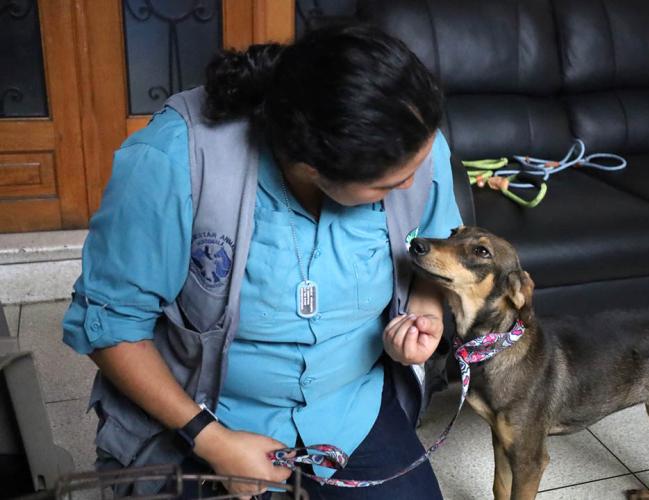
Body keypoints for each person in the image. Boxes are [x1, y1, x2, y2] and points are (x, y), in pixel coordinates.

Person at [61, 24, 462, 499]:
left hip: (348, 410)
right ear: (311, 167)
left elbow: (431, 250)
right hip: (203, 414)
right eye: (387, 185)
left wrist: (425, 318)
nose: (410, 186)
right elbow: (112, 326)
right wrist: (212, 440)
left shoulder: (412, 139)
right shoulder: (175, 156)